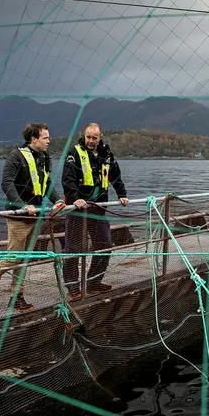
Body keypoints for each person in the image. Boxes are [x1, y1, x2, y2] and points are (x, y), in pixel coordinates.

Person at [0, 122, 65, 313]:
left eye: (48, 137)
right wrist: (22, 205)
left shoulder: (44, 158)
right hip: (18, 216)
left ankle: (16, 296)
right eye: (45, 137)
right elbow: (6, 183)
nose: (48, 141)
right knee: (14, 256)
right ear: (34, 139)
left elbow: (46, 183)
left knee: (25, 258)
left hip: (35, 216)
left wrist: (58, 200)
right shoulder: (16, 156)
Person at [61, 123, 129, 300]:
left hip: (98, 209)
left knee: (105, 245)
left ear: (100, 137)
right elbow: (67, 179)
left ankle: (93, 282)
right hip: (77, 209)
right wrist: (75, 198)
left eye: (94, 137)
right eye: (88, 137)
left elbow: (115, 176)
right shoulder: (74, 153)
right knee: (73, 248)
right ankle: (72, 286)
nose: (91, 141)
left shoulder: (107, 154)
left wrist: (122, 194)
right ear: (84, 135)